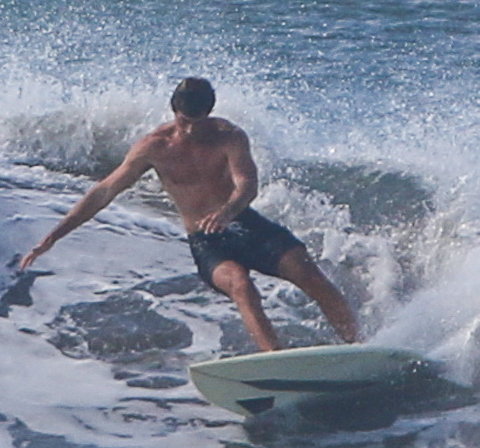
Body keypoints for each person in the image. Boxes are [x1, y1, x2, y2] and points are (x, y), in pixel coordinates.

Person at [20, 77, 360, 351]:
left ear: (209, 113)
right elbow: (104, 191)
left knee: (308, 274)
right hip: (207, 242)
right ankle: (275, 361)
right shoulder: (154, 147)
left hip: (246, 224)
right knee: (241, 285)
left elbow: (247, 184)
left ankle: (357, 347)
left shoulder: (229, 136)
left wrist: (228, 211)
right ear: (174, 111)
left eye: (198, 122)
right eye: (185, 122)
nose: (191, 130)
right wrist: (52, 237)